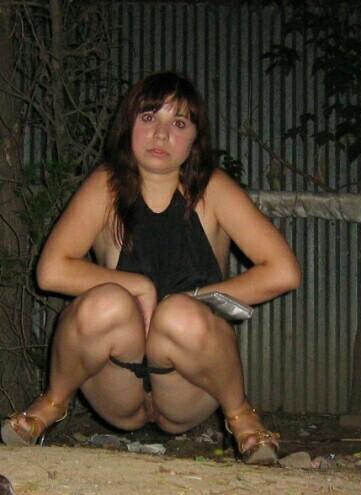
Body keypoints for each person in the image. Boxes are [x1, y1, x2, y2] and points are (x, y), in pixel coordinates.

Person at [1, 72, 301, 465]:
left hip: (187, 385)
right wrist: (138, 286)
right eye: (148, 118)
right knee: (105, 303)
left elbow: (283, 271)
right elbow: (51, 271)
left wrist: (194, 298)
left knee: (179, 314)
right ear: (128, 125)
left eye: (179, 123)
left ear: (195, 139)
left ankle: (242, 416)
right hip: (116, 380)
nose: (161, 134)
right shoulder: (106, 186)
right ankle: (51, 404)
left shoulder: (212, 189)